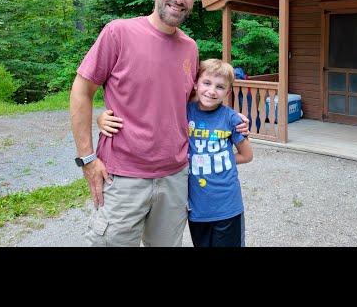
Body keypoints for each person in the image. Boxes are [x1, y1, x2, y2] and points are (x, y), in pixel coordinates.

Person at [69, 0, 249, 247]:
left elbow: (189, 99)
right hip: (124, 177)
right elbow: (82, 89)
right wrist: (88, 158)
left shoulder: (190, 47)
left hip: (175, 177)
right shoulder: (119, 32)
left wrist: (230, 117)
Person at [98, 58, 253, 247]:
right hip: (197, 209)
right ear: (195, 84)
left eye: (220, 87)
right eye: (206, 83)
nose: (212, 91)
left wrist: (214, 160)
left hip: (228, 206)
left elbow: (246, 155)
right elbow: (152, 113)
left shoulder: (231, 119)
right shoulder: (184, 111)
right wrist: (101, 118)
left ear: (228, 92)